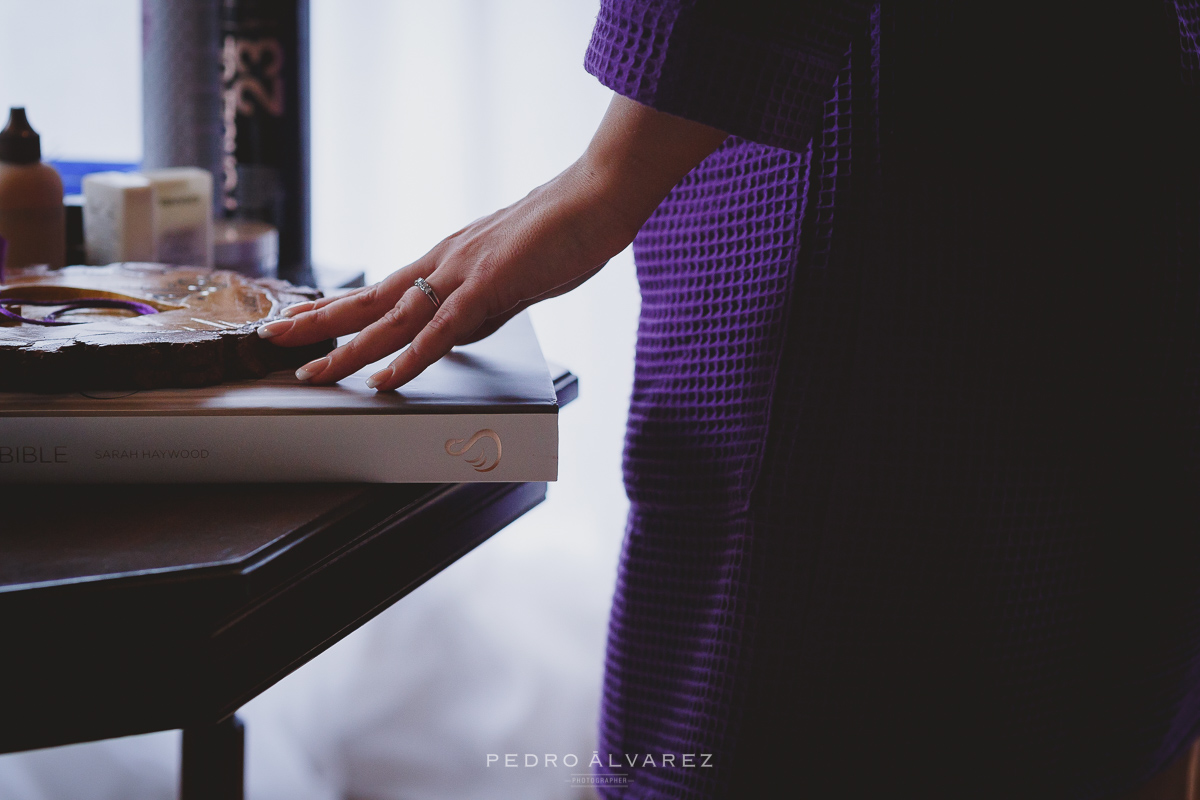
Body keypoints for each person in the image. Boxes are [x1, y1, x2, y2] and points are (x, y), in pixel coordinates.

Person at [257, 2, 1200, 797]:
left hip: (915, 164)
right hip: (1134, 157)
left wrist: (611, 172)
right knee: (1092, 689)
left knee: (782, 707)